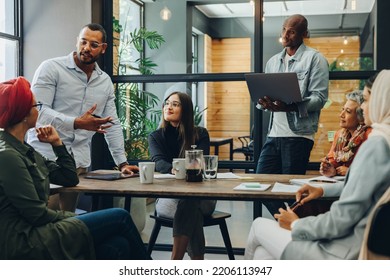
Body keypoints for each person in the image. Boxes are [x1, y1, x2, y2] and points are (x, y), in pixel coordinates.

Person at [244, 69, 390, 260]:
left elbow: (341, 219)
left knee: (258, 226)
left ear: (382, 101)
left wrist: (296, 224)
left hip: (344, 252)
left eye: (366, 100)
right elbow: (365, 190)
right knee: (263, 255)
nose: (362, 107)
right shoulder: (385, 140)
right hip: (354, 245)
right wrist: (322, 190)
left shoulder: (376, 144)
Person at [0, 77, 150, 260]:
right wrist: (74, 218)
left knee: (118, 245)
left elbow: (69, 178)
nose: (38, 109)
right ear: (23, 113)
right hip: (25, 239)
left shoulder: (24, 149)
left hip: (39, 229)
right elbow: (36, 215)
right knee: (120, 216)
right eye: (35, 105)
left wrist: (57, 144)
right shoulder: (7, 156)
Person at [26, 23, 138, 212]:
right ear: (77, 41)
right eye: (83, 42)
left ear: (103, 49)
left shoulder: (104, 82)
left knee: (69, 222)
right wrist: (77, 123)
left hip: (77, 164)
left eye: (93, 45)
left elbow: (112, 123)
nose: (86, 48)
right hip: (45, 160)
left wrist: (122, 163)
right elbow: (39, 112)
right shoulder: (51, 68)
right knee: (46, 221)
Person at [256, 14, 329, 216]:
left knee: (290, 191)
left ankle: (296, 226)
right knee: (259, 185)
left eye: (292, 31)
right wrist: (264, 103)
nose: (286, 34)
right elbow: (265, 95)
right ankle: (293, 222)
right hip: (274, 135)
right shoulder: (273, 62)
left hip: (298, 136)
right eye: (284, 29)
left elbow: (320, 98)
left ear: (304, 34)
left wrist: (290, 107)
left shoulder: (315, 59)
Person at [148, 91, 216, 260]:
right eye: (167, 103)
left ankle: (175, 262)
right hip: (168, 199)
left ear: (185, 110)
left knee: (190, 200)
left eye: (175, 104)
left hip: (203, 198)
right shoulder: (156, 136)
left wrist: (185, 168)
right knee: (191, 209)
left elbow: (199, 164)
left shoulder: (200, 134)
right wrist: (175, 169)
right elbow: (158, 162)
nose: (168, 107)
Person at [320, 90, 371, 177]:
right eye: (342, 110)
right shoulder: (339, 134)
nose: (341, 115)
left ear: (361, 116)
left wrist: (351, 172)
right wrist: (330, 168)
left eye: (348, 111)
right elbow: (332, 160)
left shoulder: (370, 135)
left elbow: (373, 170)